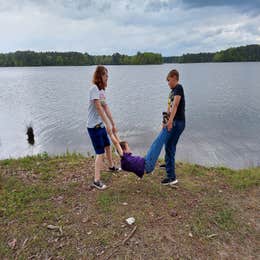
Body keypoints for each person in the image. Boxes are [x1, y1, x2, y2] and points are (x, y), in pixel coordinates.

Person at [87, 65, 119, 190]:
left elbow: (105, 107)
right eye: (106, 75)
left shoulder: (101, 91)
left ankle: (111, 166)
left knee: (107, 146)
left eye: (107, 75)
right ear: (100, 76)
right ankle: (96, 180)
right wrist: (107, 124)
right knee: (100, 153)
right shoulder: (93, 89)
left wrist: (112, 123)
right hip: (93, 127)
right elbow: (99, 108)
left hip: (100, 126)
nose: (107, 78)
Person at [162, 69, 185, 185]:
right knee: (169, 143)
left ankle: (172, 177)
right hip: (172, 121)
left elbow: (175, 105)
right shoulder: (172, 91)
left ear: (175, 77)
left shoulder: (178, 88)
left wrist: (170, 122)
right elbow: (169, 108)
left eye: (169, 80)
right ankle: (168, 162)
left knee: (169, 146)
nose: (168, 83)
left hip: (178, 122)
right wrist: (165, 121)